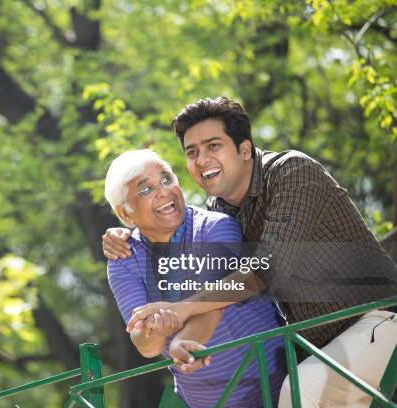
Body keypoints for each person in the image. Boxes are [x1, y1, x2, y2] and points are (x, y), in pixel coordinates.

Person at [102, 97, 397, 407]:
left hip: (375, 319)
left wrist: (180, 309)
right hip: (316, 347)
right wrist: (125, 232)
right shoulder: (221, 209)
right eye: (192, 152)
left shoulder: (292, 172)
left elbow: (265, 270)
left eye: (213, 146)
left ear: (244, 149)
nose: (202, 160)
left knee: (301, 392)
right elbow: (216, 290)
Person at [104, 149, 286, 408]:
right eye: (145, 190)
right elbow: (147, 346)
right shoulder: (124, 259)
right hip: (206, 401)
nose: (164, 191)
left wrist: (181, 335)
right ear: (126, 214)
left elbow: (219, 298)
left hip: (277, 384)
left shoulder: (214, 227)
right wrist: (156, 327)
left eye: (166, 179)